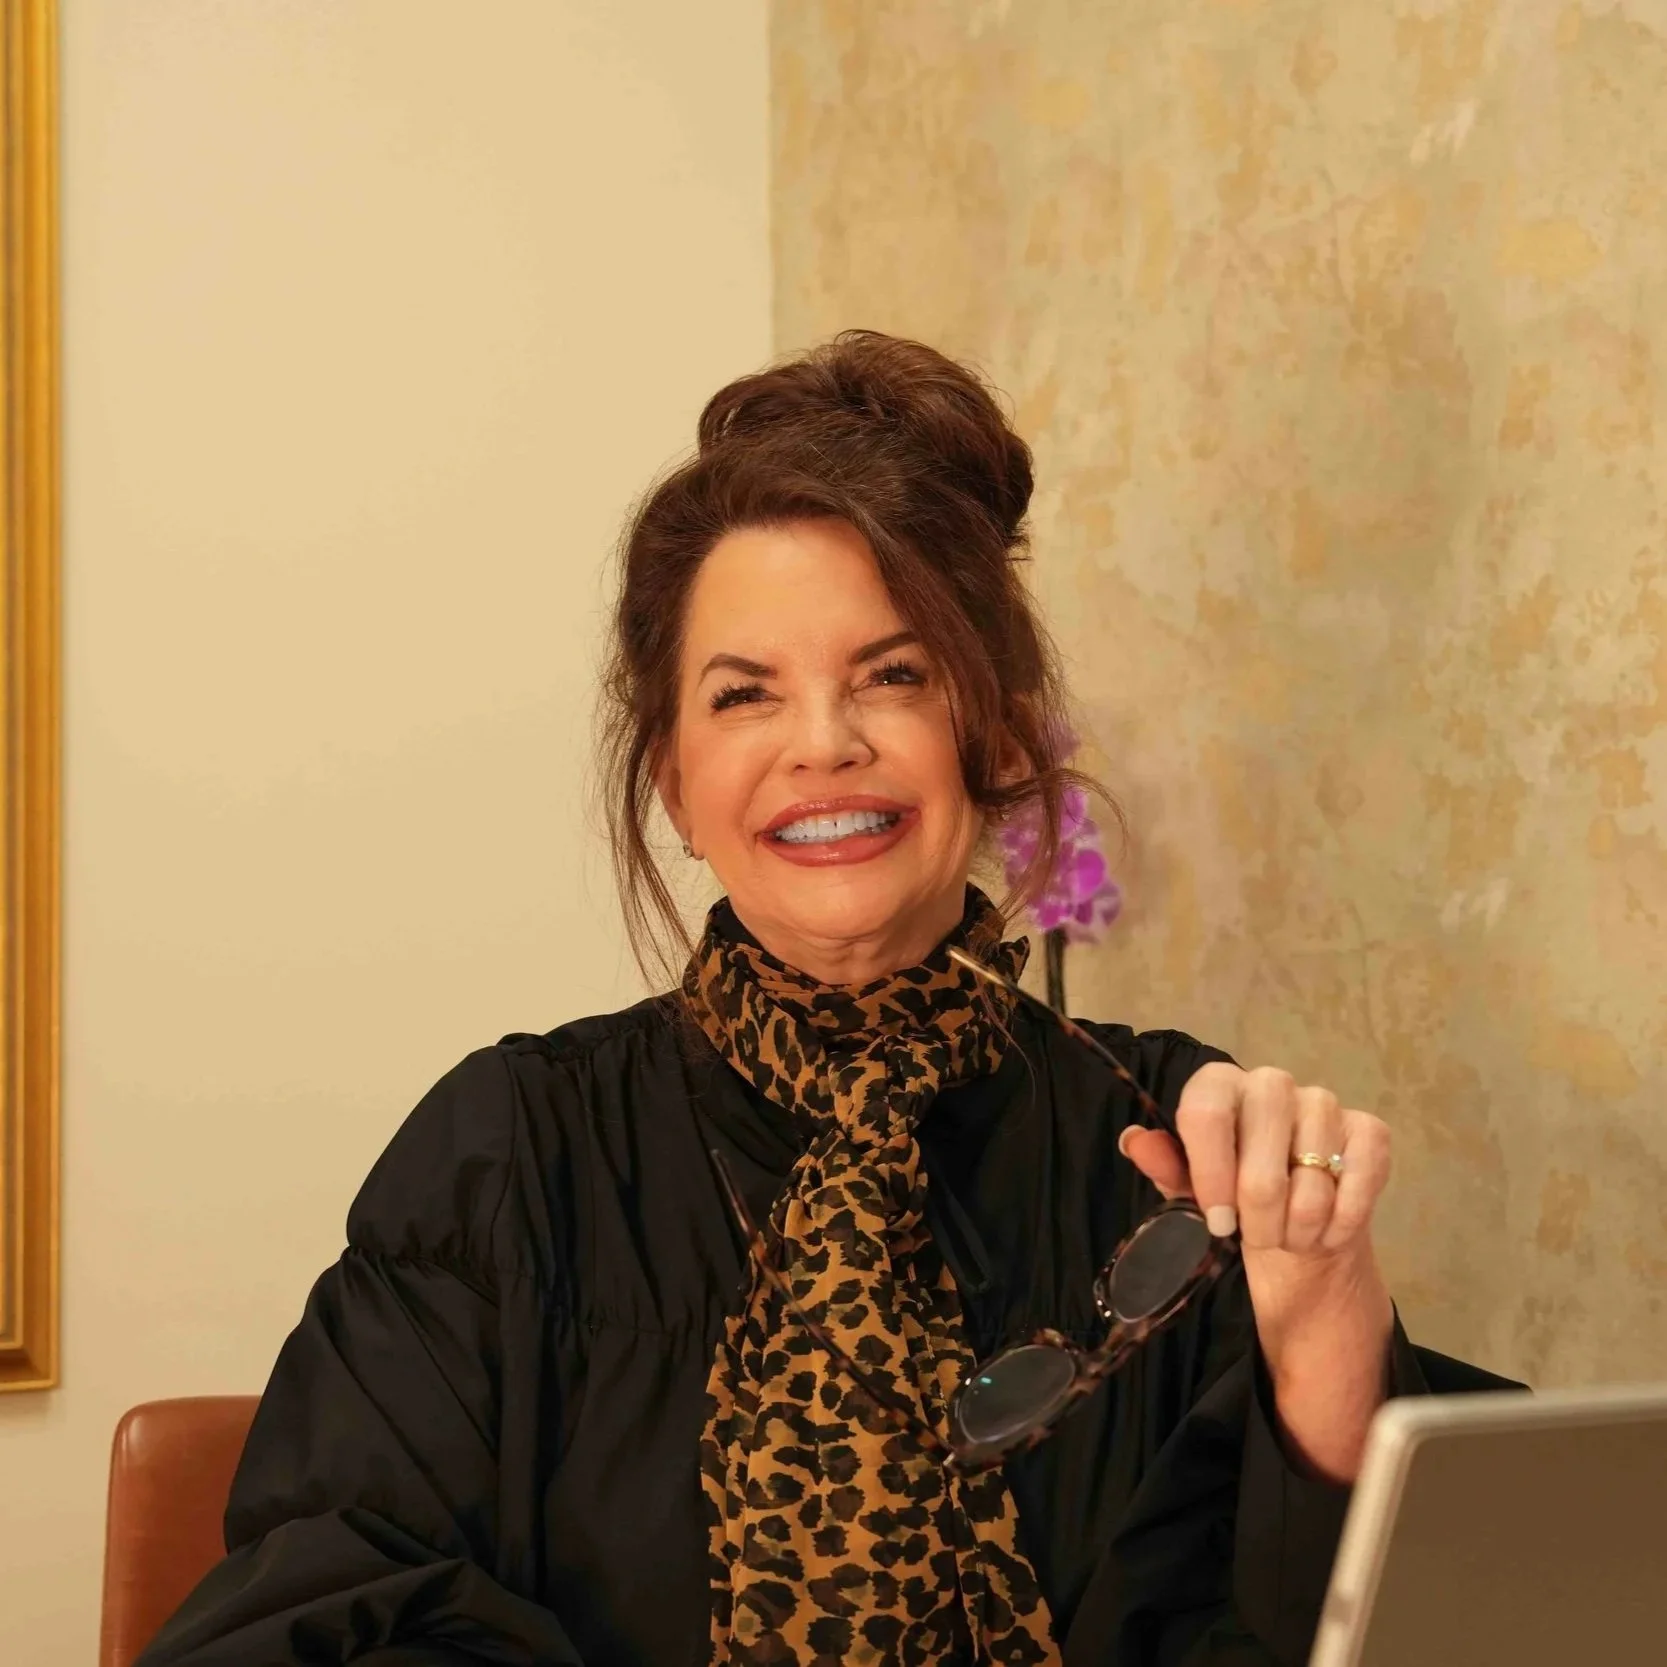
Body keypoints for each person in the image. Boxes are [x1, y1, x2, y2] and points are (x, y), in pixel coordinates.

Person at [140, 332, 1512, 1667]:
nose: (823, 743)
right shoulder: (511, 1153)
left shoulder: (1164, 1142)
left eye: (892, 675)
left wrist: (1323, 1300)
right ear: (674, 778)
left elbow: (1360, 1625)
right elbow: (315, 1614)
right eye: (745, 695)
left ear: (988, 733)